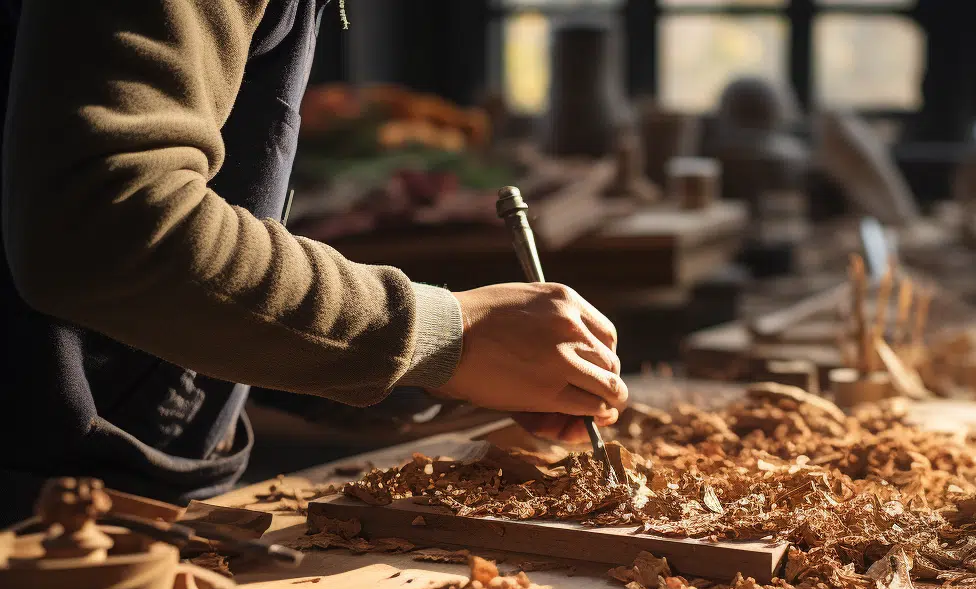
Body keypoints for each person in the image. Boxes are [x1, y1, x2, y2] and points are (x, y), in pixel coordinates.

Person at [0, 0, 628, 526]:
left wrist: (433, 370)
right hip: (46, 521)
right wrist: (442, 332)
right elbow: (108, 225)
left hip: (117, 490)